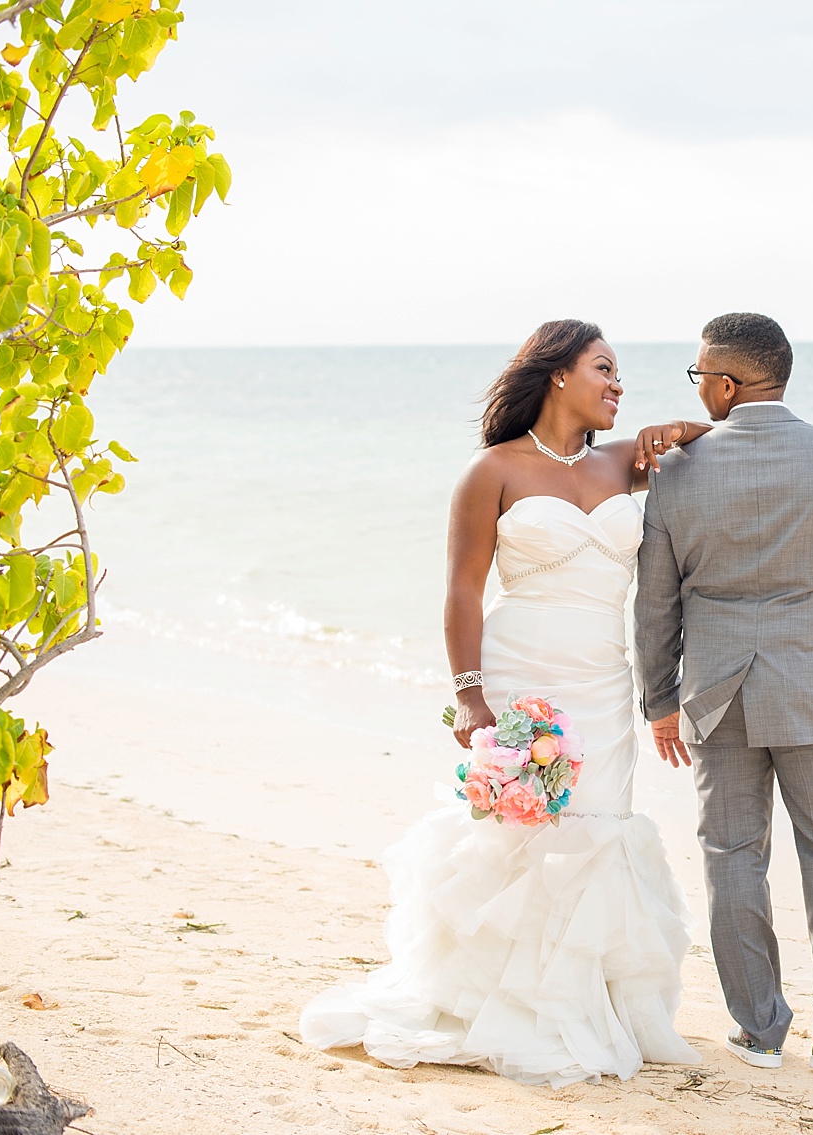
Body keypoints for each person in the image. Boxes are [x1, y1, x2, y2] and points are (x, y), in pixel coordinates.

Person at [299, 319, 710, 1088]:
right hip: (523, 675)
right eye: (604, 369)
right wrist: (469, 696)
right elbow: (462, 590)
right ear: (557, 374)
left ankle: (588, 1002)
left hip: (603, 681)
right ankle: (500, 1003)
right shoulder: (491, 471)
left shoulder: (627, 460)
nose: (618, 385)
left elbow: (717, 439)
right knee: (516, 835)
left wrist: (674, 426)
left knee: (596, 829)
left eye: (620, 375)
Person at [636, 312, 813, 1073]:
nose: (698, 391)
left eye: (700, 377)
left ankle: (758, 1029)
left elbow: (654, 601)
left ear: (725, 384)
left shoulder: (676, 472)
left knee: (731, 854)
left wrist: (657, 698)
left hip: (714, 696)